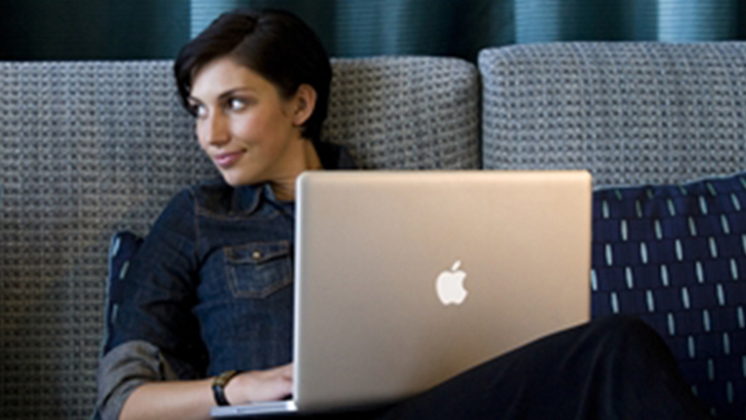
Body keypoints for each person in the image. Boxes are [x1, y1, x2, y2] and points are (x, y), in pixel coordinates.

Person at [95, 8, 712, 420]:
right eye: (199, 110)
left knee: (615, 346)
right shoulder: (198, 217)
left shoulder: (407, 209)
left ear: (300, 104)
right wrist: (239, 388)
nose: (212, 133)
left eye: (234, 103)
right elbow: (120, 402)